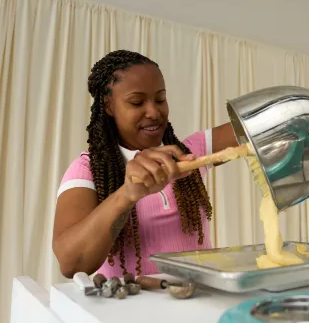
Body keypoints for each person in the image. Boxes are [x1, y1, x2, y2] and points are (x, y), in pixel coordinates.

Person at [52, 49, 238, 278]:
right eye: (137, 102)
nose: (154, 111)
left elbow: (258, 129)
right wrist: (126, 194)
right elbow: (71, 264)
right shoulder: (87, 169)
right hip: (129, 310)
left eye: (160, 99)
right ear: (109, 106)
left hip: (197, 303)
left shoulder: (189, 153)